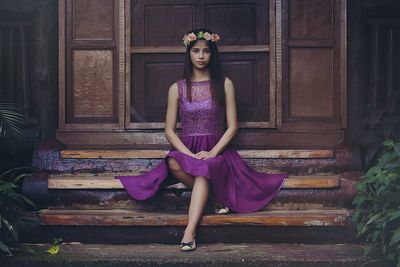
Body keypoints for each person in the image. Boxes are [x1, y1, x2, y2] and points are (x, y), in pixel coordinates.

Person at [116, 29, 288, 252]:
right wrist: (188, 154)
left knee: (204, 169)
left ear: (212, 54)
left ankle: (190, 231)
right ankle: (216, 199)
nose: (200, 56)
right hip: (189, 149)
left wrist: (213, 152)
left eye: (206, 51)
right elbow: (169, 130)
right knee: (173, 162)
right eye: (196, 51)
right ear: (189, 53)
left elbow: (233, 126)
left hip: (217, 151)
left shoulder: (224, 83)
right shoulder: (176, 88)